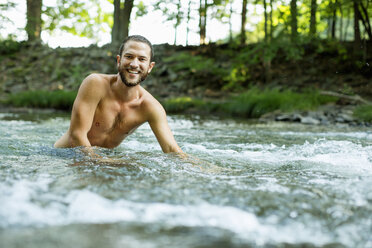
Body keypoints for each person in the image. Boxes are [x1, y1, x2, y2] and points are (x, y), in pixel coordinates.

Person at [54, 35, 184, 156]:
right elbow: (77, 135)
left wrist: (200, 169)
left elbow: (172, 150)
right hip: (63, 158)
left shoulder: (151, 107)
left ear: (150, 67)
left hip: (99, 163)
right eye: (129, 56)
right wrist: (106, 164)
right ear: (118, 60)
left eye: (142, 59)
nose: (134, 64)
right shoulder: (95, 84)